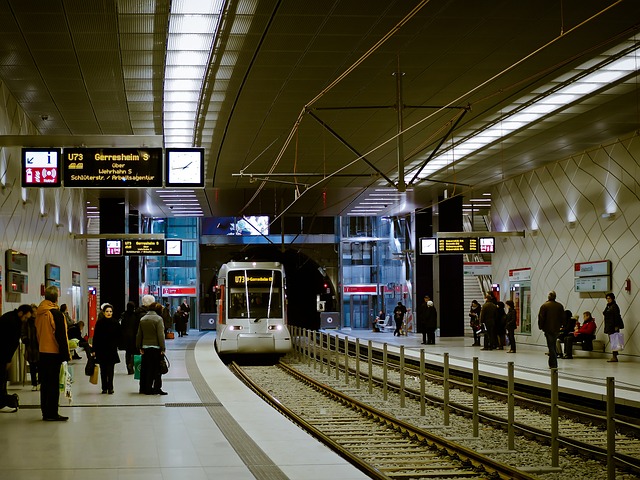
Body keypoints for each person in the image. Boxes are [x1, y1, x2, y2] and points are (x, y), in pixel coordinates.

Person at [35, 286, 70, 421]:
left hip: (42, 351)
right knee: (54, 384)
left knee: (45, 383)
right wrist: (65, 355)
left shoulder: (39, 312)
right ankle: (52, 413)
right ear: (56, 298)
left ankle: (45, 411)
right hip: (54, 352)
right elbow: (60, 335)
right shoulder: (55, 314)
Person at [0, 305, 33, 411]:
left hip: (3, 353)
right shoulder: (14, 323)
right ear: (20, 313)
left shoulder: (8, 316)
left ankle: (3, 401)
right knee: (1, 378)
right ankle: (1, 404)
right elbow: (10, 343)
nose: (25, 320)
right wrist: (8, 360)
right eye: (25, 317)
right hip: (2, 355)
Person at [136, 302, 167, 395]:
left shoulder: (143, 319)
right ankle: (157, 388)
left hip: (145, 347)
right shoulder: (158, 319)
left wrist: (139, 346)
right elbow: (160, 335)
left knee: (147, 369)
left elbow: (139, 334)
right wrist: (163, 348)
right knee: (157, 369)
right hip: (156, 348)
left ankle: (147, 388)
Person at [92, 304, 121, 394]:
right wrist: (94, 350)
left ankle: (110, 387)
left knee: (110, 370)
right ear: (104, 312)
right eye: (107, 311)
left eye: (110, 311)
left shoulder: (115, 323)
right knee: (103, 370)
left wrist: (118, 344)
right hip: (101, 349)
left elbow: (119, 336)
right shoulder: (99, 323)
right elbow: (95, 337)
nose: (109, 313)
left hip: (111, 349)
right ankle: (104, 387)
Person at [538, 290, 565, 369]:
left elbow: (541, 318)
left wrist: (541, 326)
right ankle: (552, 362)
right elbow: (563, 317)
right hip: (557, 328)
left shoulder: (544, 306)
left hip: (548, 328)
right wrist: (562, 325)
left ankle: (553, 363)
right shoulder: (560, 306)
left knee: (551, 346)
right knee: (552, 345)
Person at [21, 305, 39, 390]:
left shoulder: (39, 320)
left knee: (40, 366)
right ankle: (34, 383)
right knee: (32, 366)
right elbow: (23, 332)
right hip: (30, 347)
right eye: (33, 311)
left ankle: (40, 382)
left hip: (39, 346)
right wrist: (25, 339)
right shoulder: (26, 322)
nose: (34, 313)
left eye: (35, 311)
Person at [603, 292, 624, 362]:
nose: (608, 300)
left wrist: (616, 326)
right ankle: (614, 355)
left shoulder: (614, 306)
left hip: (613, 326)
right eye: (607, 298)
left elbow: (617, 316)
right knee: (612, 341)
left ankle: (614, 356)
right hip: (609, 326)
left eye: (609, 298)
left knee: (614, 341)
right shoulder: (609, 306)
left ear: (612, 298)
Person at [120, 301, 139, 374]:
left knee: (128, 352)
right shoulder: (135, 315)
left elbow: (121, 326)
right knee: (134, 352)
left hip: (126, 337)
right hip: (134, 337)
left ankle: (128, 364)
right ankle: (132, 364)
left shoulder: (124, 315)